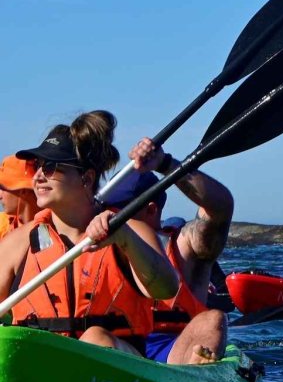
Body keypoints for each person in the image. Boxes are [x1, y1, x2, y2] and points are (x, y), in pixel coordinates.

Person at [0, 113, 180, 356]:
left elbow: (166, 289)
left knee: (95, 338)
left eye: (52, 167)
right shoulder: (18, 243)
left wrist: (125, 239)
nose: (39, 176)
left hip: (115, 376)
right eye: (38, 166)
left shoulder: (131, 231)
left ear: (86, 178)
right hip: (42, 368)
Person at [100, 136, 235, 364]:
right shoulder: (96, 244)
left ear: (151, 211)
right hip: (120, 347)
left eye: (118, 211)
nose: (109, 218)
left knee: (212, 320)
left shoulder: (182, 247)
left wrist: (165, 164)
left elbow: (220, 209)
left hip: (173, 350)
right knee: (96, 336)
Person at [0, 154, 38, 240]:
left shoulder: (57, 225)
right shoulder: (2, 224)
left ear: (23, 190)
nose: (0, 196)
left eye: (3, 188)